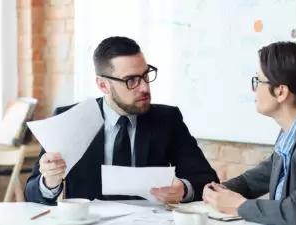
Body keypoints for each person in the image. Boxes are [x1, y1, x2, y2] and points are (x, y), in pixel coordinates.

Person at [25, 36, 219, 205]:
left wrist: (184, 189)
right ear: (103, 85)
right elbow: (32, 192)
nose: (144, 87)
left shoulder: (167, 119)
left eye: (146, 75)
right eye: (131, 80)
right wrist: (49, 182)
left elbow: (207, 179)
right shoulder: (71, 119)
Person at [202, 41, 296, 225]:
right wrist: (220, 190)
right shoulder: (290, 133)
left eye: (258, 81)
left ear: (281, 92)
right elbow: (254, 180)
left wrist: (240, 206)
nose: (254, 89)